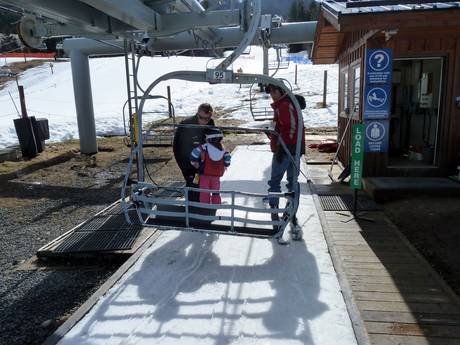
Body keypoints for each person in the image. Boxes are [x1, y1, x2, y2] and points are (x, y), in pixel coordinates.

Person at [265, 84, 305, 222]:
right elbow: (283, 127)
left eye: (272, 92)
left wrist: (283, 146)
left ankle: (276, 210)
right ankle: (290, 209)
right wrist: (273, 134)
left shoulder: (284, 105)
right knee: (292, 181)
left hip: (286, 150)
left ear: (279, 91)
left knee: (275, 181)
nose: (271, 95)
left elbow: (292, 127)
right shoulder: (285, 105)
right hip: (291, 148)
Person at [173, 103, 215, 201]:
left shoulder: (210, 124)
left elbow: (214, 142)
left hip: (204, 162)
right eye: (201, 118)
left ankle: (203, 208)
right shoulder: (186, 125)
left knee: (205, 186)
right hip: (188, 163)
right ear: (197, 114)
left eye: (207, 119)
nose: (204, 121)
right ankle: (192, 209)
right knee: (193, 186)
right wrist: (185, 167)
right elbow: (177, 148)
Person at [190, 128, 231, 204]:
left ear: (208, 138)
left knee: (204, 192)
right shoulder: (223, 151)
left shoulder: (203, 147)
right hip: (216, 175)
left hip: (204, 174)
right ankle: (216, 205)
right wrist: (224, 165)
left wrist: (196, 164)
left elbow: (193, 155)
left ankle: (205, 207)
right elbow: (227, 162)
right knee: (216, 192)